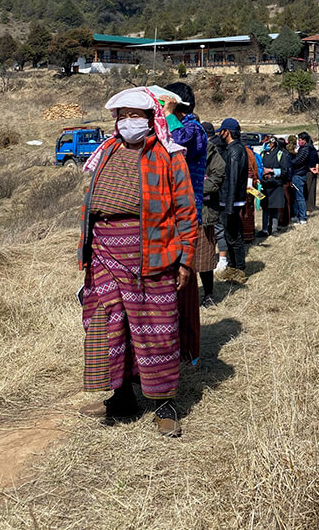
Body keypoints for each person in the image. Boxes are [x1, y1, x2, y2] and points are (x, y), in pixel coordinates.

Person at [78, 87, 198, 438]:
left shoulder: (169, 157)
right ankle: (121, 398)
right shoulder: (107, 151)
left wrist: (185, 262)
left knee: (155, 330)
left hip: (151, 255)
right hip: (103, 252)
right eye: (122, 114)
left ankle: (165, 405)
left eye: (136, 114)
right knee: (107, 326)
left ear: (150, 119)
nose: (128, 121)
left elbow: (187, 213)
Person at [161, 83, 207, 367]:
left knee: (185, 286)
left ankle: (189, 350)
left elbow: (179, 140)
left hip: (186, 218)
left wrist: (168, 113)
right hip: (167, 218)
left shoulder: (193, 129)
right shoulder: (171, 124)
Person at [216, 118, 248, 284]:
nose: (219, 134)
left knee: (234, 237)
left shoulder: (235, 150)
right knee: (229, 236)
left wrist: (229, 205)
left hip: (232, 201)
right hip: (229, 200)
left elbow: (233, 179)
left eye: (221, 131)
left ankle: (240, 270)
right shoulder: (232, 148)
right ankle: (233, 268)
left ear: (226, 132)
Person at [199, 123, 226, 307]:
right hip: (178, 212)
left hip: (204, 211)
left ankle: (208, 294)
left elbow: (216, 179)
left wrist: (193, 188)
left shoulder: (211, 152)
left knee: (204, 255)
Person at [259, 136, 289, 236]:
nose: (267, 145)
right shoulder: (263, 154)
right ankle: (264, 230)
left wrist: (271, 171)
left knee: (275, 208)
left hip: (276, 184)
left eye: (268, 143)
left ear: (273, 144)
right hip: (265, 184)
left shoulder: (281, 154)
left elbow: (285, 171)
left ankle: (274, 229)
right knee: (265, 208)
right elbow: (259, 167)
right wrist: (262, 173)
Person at [291, 132, 311, 225]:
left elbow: (298, 161)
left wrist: (290, 162)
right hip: (298, 174)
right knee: (297, 197)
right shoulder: (302, 149)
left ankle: (303, 217)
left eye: (300, 140)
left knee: (300, 197)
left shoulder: (305, 149)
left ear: (304, 140)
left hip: (299, 174)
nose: (298, 141)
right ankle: (297, 215)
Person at [306, 138, 319, 212]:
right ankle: (311, 205)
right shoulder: (314, 150)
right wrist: (317, 169)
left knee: (307, 189)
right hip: (314, 170)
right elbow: (318, 161)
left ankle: (308, 206)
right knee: (312, 189)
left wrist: (310, 169)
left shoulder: (306, 150)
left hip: (308, 171)